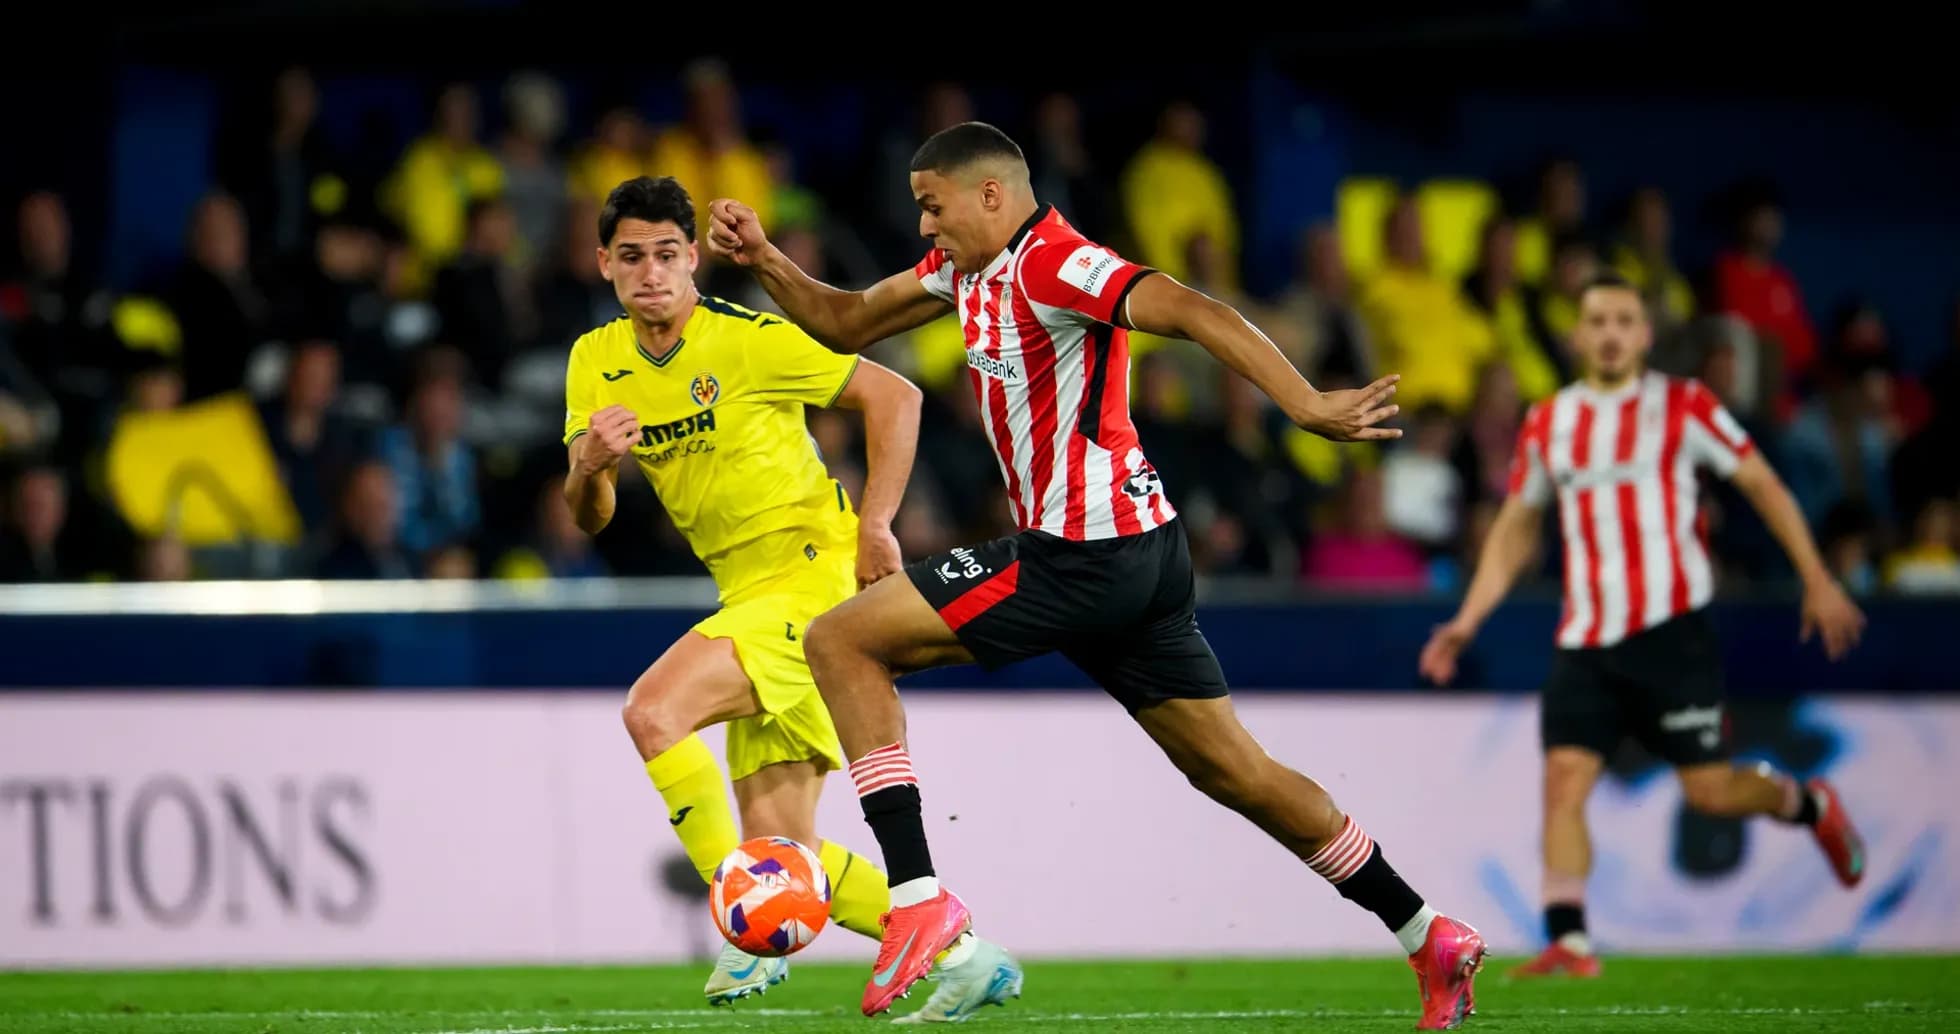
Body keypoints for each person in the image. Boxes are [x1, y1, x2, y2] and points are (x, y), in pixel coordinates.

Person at [708, 122, 1488, 1031]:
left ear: (992, 195)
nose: (924, 226)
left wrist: (1305, 403)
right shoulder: (963, 271)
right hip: (1138, 553)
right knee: (1235, 771)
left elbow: (1195, 310)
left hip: (1085, 553)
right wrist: (765, 257)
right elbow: (841, 319)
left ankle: (917, 897)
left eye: (933, 206)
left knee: (841, 638)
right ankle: (1427, 932)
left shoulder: (1059, 264)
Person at [563, 175, 1012, 1013]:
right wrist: (590, 465)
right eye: (632, 257)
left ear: (692, 259)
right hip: (744, 591)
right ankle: (963, 955)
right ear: (605, 264)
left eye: (667, 254)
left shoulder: (746, 339)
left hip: (812, 575)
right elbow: (588, 517)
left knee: (653, 713)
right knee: (785, 852)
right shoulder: (596, 361)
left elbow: (896, 395)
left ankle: (739, 937)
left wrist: (879, 525)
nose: (651, 272)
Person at [1417, 270, 1869, 978]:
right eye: (1596, 321)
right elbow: (1516, 525)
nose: (1609, 334)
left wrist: (1817, 576)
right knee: (1563, 780)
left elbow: (1761, 483)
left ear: (1646, 334)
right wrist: (1468, 618)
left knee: (1709, 791)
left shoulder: (1685, 407)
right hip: (1585, 639)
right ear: (1576, 334)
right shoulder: (1549, 421)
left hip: (1672, 635)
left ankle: (1809, 803)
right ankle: (1569, 938)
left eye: (1624, 321)